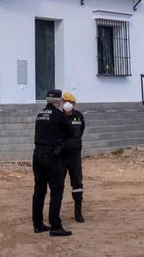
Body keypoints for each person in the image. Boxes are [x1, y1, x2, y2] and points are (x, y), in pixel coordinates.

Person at [33, 88, 74, 237]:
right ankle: (55, 226)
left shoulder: (40, 114)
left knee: (39, 190)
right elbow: (69, 131)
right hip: (51, 155)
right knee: (57, 190)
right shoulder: (58, 115)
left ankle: (37, 224)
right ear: (58, 101)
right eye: (61, 100)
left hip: (37, 154)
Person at [62, 92, 87, 223]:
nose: (67, 104)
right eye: (65, 101)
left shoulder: (78, 116)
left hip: (74, 157)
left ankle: (78, 212)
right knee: (58, 184)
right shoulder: (58, 117)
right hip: (61, 157)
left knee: (77, 183)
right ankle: (55, 213)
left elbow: (81, 131)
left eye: (70, 102)